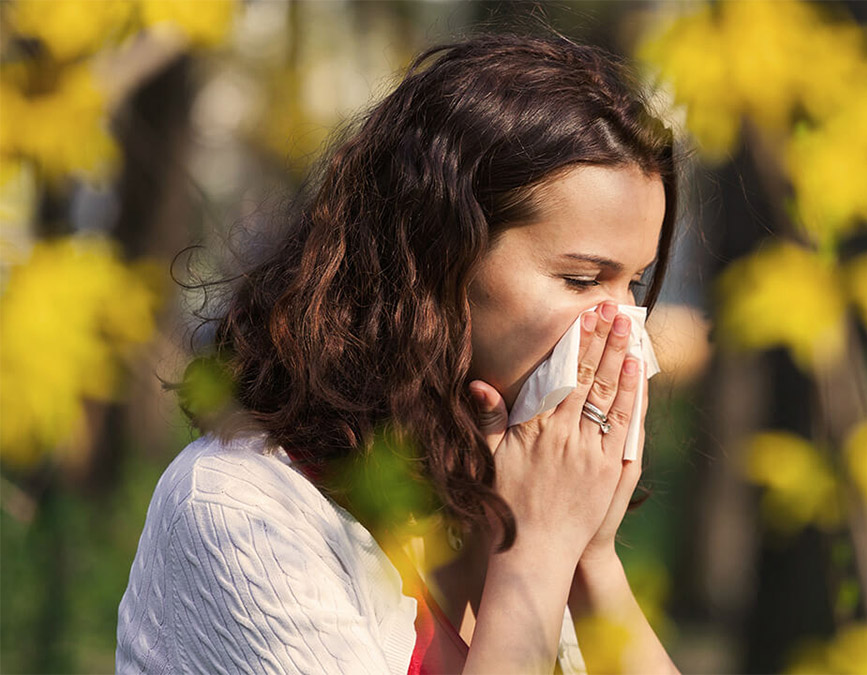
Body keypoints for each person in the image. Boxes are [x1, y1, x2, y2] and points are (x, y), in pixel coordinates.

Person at [116, 31, 681, 675]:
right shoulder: (242, 509)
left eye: (633, 283)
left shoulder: (501, 495)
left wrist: (590, 557)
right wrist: (541, 552)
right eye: (582, 280)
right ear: (438, 259)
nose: (622, 324)